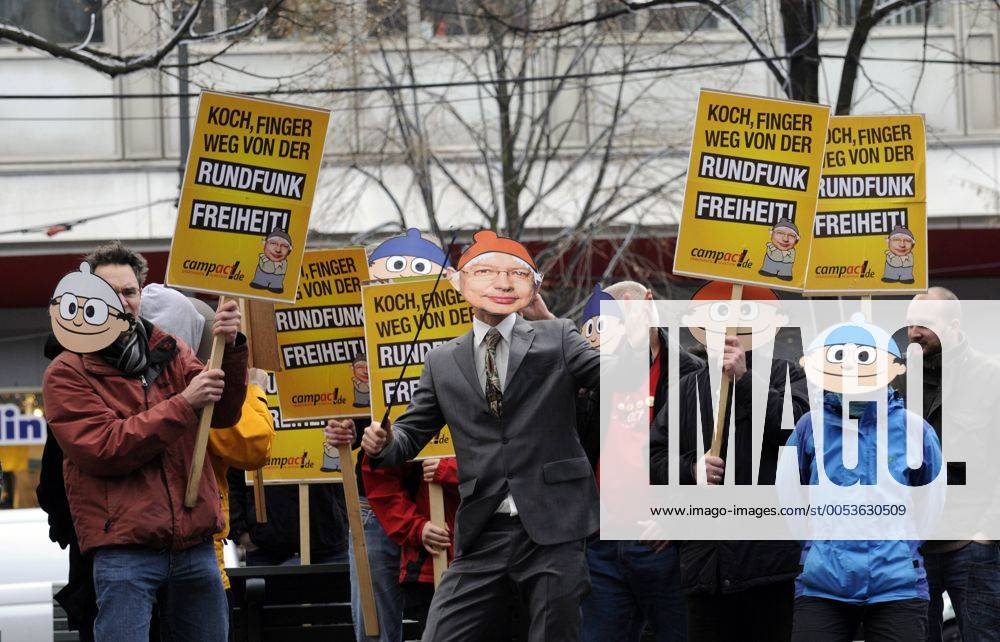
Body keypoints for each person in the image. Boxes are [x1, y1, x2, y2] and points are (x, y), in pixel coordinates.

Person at [328, 230, 599, 641]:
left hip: (554, 526)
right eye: (485, 272)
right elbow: (410, 435)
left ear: (531, 285)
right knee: (442, 633)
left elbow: (619, 377)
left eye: (515, 274)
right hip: (482, 529)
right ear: (458, 282)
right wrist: (382, 445)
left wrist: (547, 320)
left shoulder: (556, 335)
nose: (500, 283)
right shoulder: (441, 361)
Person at [43, 241, 248, 642]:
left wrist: (233, 347)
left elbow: (222, 416)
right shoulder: (66, 371)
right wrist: (184, 404)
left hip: (194, 545)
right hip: (124, 551)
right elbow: (104, 448)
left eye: (130, 291)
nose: (123, 301)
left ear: (141, 294)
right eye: (109, 292)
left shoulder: (170, 350)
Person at [651, 281, 809, 642]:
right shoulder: (686, 390)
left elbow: (798, 434)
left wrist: (746, 379)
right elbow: (654, 458)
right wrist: (692, 469)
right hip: (706, 564)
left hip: (769, 562)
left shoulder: (787, 375)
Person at [787, 317, 942, 642]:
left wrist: (900, 545)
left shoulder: (916, 431)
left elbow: (932, 505)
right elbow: (788, 497)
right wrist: (819, 544)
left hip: (896, 586)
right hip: (822, 584)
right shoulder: (807, 428)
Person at [578, 280, 711, 642]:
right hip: (601, 544)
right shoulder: (593, 378)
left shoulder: (691, 374)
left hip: (664, 544)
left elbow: (712, 459)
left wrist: (679, 517)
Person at [141, 283, 275, 628]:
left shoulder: (118, 384)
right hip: (196, 557)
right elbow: (252, 445)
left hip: (133, 562)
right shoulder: (196, 389)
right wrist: (254, 391)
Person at [902, 287, 1000, 642]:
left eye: (924, 324)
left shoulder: (992, 377)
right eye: (910, 324)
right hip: (911, 548)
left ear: (954, 326)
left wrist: (987, 532)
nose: (913, 333)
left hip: (973, 546)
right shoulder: (895, 380)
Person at [363, 456, 460, 635]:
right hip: (431, 563)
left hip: (493, 555)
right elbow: (380, 476)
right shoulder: (402, 431)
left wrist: (452, 470)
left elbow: (508, 463)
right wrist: (416, 527)